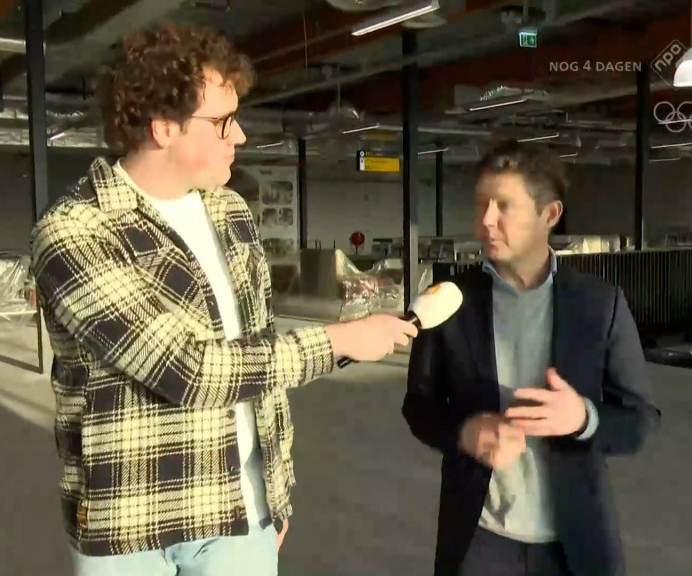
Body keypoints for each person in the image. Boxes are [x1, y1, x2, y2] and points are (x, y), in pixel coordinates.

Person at [30, 23, 417, 576]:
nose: (238, 137)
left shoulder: (229, 212)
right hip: (132, 526)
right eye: (221, 122)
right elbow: (185, 369)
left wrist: (273, 492)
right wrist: (339, 341)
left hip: (241, 514)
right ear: (164, 126)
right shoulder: (76, 232)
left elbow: (257, 352)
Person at [402, 142, 661, 576]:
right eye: (481, 204)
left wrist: (583, 417)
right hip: (479, 539)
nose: (486, 220)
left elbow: (640, 422)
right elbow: (419, 405)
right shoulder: (449, 301)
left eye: (504, 205)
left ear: (550, 214)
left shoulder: (600, 306)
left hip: (574, 542)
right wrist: (465, 431)